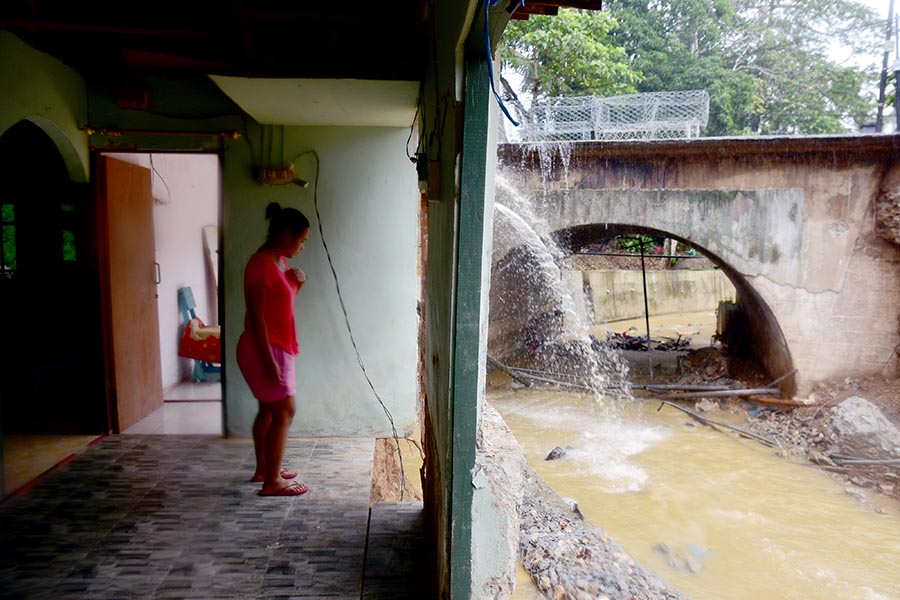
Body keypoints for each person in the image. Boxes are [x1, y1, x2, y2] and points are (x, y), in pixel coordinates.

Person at [237, 202, 310, 496]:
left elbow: (280, 307)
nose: (302, 247)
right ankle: (272, 482)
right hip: (266, 348)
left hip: (278, 345)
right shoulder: (260, 264)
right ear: (285, 234)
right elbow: (256, 316)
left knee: (269, 411)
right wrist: (268, 360)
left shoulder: (278, 262)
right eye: (301, 240)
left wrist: (296, 284)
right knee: (284, 411)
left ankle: (265, 471)